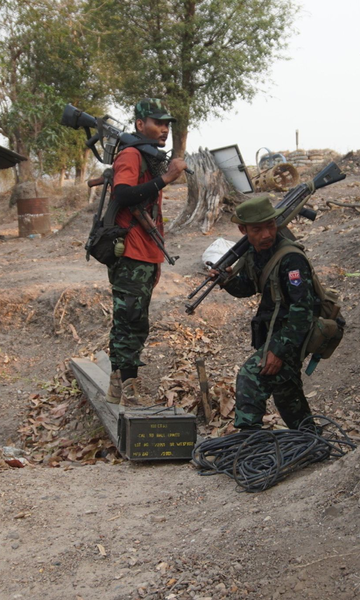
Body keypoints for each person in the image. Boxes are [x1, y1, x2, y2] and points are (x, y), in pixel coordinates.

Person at [210, 195, 319, 430]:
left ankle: (249, 441)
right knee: (286, 391)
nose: (267, 234)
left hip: (292, 334)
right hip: (276, 332)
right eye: (257, 229)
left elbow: (303, 311)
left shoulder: (290, 258)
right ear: (243, 229)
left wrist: (278, 350)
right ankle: (309, 437)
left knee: (250, 377)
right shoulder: (256, 252)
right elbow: (249, 287)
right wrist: (226, 280)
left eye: (270, 226)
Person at [105, 98, 188, 407]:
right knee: (132, 321)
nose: (164, 129)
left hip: (145, 252)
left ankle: (117, 385)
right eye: (158, 123)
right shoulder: (130, 154)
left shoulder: (146, 156)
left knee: (128, 319)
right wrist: (166, 178)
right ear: (140, 125)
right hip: (132, 253)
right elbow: (123, 193)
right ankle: (129, 387)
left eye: (167, 124)